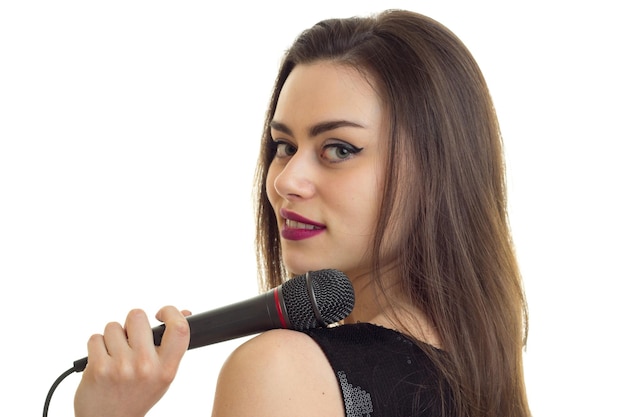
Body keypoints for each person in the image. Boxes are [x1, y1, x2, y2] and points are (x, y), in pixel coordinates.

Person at [74, 9, 531, 417]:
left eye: (338, 148)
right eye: (284, 147)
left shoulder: (281, 372)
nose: (285, 181)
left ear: (438, 172)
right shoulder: (481, 380)